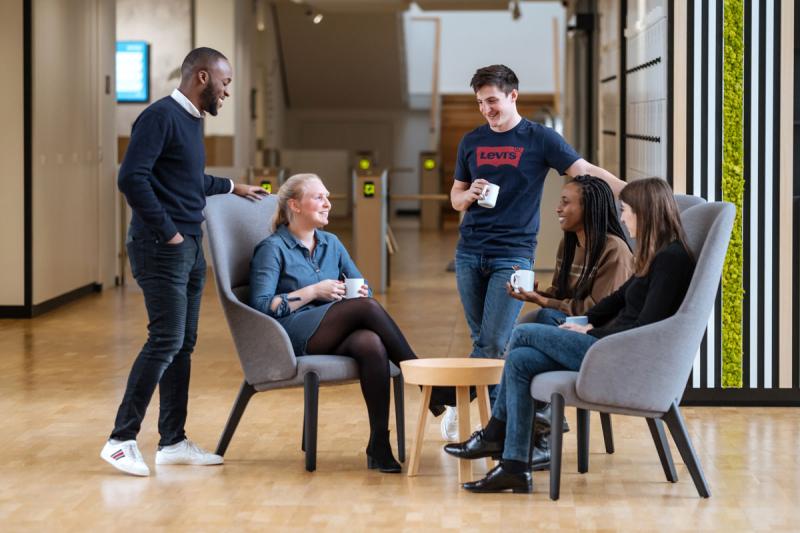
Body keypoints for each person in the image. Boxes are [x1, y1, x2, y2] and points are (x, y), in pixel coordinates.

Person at [444, 177, 695, 493]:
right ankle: (515, 467)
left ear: (645, 212)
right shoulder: (654, 256)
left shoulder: (672, 260)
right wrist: (586, 320)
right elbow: (615, 301)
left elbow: (646, 327)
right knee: (520, 360)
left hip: (617, 354)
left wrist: (594, 331)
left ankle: (496, 430)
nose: (623, 217)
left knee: (523, 334)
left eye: (626, 210)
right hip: (607, 344)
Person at [101, 47, 267, 477]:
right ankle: (121, 440)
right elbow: (130, 177)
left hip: (189, 247)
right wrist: (169, 231)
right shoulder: (159, 117)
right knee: (165, 339)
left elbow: (185, 179)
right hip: (162, 247)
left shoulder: (190, 121)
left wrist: (233, 187)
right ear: (203, 78)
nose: (227, 92)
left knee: (182, 344)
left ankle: (172, 440)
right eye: (225, 83)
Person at [443, 64, 626, 438]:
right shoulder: (472, 141)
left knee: (495, 341)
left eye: (492, 100)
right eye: (480, 103)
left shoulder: (540, 138)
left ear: (513, 96)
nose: (486, 110)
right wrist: (469, 195)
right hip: (469, 252)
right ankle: (505, 426)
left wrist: (637, 192)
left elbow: (584, 170)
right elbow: (455, 198)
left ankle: (452, 399)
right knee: (484, 341)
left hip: (512, 253)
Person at [249, 174, 456, 474]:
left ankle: (378, 444)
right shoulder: (273, 248)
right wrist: (313, 292)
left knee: (370, 343)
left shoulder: (331, 243)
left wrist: (359, 291)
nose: (328, 203)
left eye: (327, 196)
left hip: (334, 328)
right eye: (319, 197)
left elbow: (364, 291)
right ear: (294, 204)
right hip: (294, 335)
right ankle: (427, 385)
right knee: (368, 310)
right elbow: (260, 306)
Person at [503, 175, 634, 467]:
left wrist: (545, 302)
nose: (557, 208)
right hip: (565, 331)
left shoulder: (615, 251)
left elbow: (597, 311)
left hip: (598, 341)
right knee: (532, 335)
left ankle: (514, 432)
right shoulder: (569, 245)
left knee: (540, 319)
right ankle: (537, 434)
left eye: (566, 202)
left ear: (588, 209)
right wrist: (536, 294)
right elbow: (562, 297)